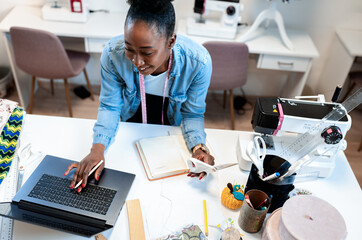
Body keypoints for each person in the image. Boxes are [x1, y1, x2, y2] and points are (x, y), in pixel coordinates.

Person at [64, 0, 214, 191]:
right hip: (129, 131)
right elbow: (110, 106)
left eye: (147, 53)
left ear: (171, 41)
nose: (137, 61)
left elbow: (192, 114)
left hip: (167, 137)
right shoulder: (112, 54)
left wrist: (199, 149)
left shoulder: (198, 63)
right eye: (129, 49)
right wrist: (97, 149)